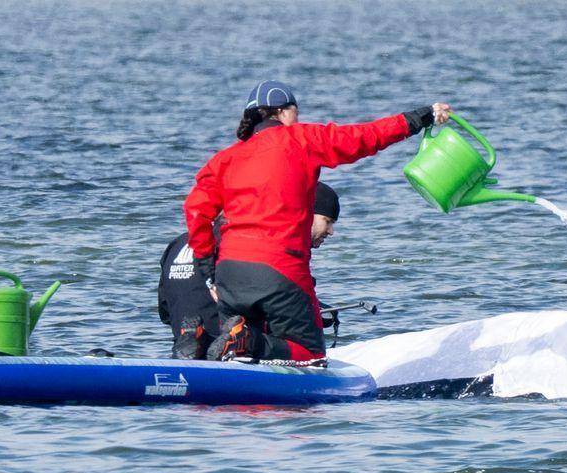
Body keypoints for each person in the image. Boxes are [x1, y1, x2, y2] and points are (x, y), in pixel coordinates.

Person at [185, 81, 451, 361]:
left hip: (229, 274)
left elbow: (196, 212)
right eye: (296, 112)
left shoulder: (223, 159)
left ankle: (224, 344)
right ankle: (249, 342)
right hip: (280, 269)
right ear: (284, 112)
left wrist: (208, 270)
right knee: (308, 353)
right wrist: (421, 117)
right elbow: (365, 136)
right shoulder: (301, 138)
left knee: (239, 355)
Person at [160, 184, 340, 359]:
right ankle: (245, 341)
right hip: (233, 349)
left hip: (187, 345)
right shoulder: (256, 243)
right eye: (328, 221)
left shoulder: (177, 244)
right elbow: (268, 299)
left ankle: (199, 337)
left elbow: (165, 311)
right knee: (308, 350)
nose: (331, 232)